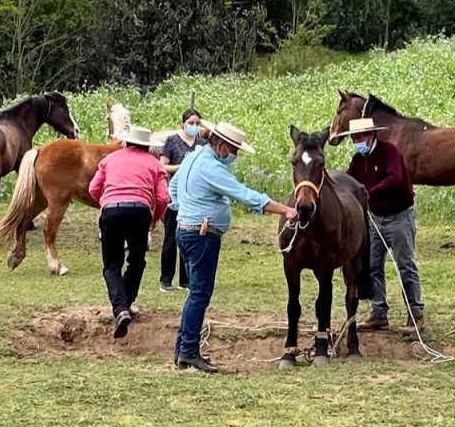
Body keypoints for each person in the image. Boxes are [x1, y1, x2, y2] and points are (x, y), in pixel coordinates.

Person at [170, 120, 298, 372]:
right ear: (221, 147)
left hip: (186, 230)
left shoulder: (192, 157)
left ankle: (183, 348)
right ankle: (188, 351)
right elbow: (245, 195)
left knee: (194, 293)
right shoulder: (211, 167)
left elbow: (173, 188)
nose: (234, 157)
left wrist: (185, 210)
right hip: (201, 234)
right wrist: (285, 210)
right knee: (199, 294)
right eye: (234, 151)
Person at [336, 117, 425, 334]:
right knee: (373, 265)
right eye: (353, 138)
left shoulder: (390, 152)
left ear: (370, 135)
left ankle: (416, 314)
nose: (356, 142)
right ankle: (379, 313)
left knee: (405, 265)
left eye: (358, 137)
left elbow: (394, 179)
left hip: (399, 217)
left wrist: (368, 192)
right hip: (375, 218)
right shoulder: (359, 159)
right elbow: (349, 180)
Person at [89, 126, 170, 339]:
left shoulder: (109, 160)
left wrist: (106, 204)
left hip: (111, 212)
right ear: (147, 146)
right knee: (137, 260)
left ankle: (120, 308)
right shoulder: (155, 164)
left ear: (126, 142)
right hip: (140, 212)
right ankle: (126, 303)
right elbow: (163, 198)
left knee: (112, 264)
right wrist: (154, 219)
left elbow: (93, 189)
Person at [159, 108, 207, 292]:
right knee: (171, 236)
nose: (194, 127)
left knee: (190, 236)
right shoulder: (172, 141)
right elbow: (162, 167)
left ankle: (185, 280)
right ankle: (166, 279)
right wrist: (183, 167)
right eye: (191, 123)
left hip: (194, 196)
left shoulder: (202, 143)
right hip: (175, 194)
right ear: (183, 123)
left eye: (197, 124)